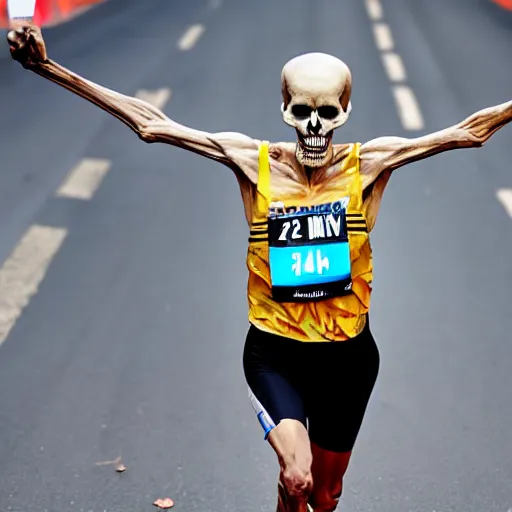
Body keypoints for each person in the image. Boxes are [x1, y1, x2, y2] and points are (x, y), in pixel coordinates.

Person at [7, 24, 512, 512]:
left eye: (327, 113)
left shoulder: (371, 163)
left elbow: (470, 132)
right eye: (302, 113)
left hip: (348, 359)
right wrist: (49, 68)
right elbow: (151, 125)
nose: (314, 127)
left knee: (324, 496)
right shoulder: (254, 161)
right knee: (297, 475)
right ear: (286, 112)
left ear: (345, 113)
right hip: (275, 352)